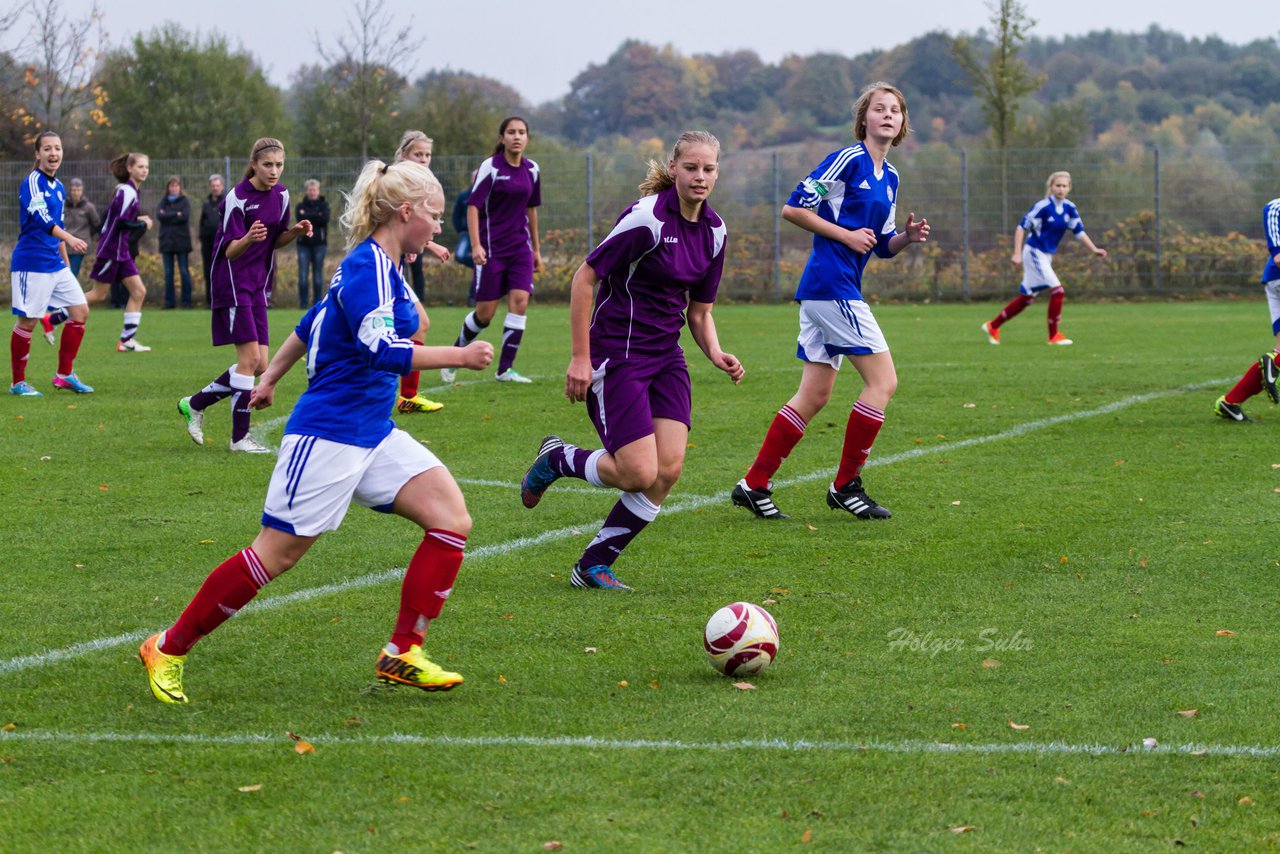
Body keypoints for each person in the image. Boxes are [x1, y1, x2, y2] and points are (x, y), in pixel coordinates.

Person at [138, 158, 494, 703]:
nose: (439, 226)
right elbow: (381, 350)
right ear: (406, 211)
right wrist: (461, 356)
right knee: (273, 556)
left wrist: (272, 376)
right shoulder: (368, 267)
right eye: (435, 215)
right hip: (328, 434)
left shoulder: (377, 266)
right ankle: (168, 646)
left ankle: (403, 652)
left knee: (451, 520)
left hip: (371, 430)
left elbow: (312, 323)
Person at [519, 131, 742, 591]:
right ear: (674, 168)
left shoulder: (716, 232)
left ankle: (593, 564)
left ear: (718, 172)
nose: (701, 177)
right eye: (692, 168)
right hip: (617, 355)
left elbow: (699, 312)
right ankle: (558, 458)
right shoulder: (647, 220)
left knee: (668, 470)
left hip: (666, 357)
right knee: (638, 472)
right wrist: (580, 358)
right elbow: (585, 277)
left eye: (709, 169)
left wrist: (716, 353)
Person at [731, 82, 931, 522]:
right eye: (879, 109)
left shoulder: (891, 177)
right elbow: (794, 208)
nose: (887, 115)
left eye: (895, 111)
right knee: (883, 383)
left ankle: (753, 484)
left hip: (832, 291)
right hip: (831, 286)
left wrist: (905, 239)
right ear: (864, 119)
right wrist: (844, 234)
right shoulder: (847, 160)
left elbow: (878, 246)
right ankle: (845, 486)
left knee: (815, 394)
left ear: (901, 125)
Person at [177, 138, 311, 453]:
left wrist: (295, 233)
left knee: (261, 363)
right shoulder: (236, 199)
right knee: (249, 360)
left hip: (258, 286)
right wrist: (248, 237)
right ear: (254, 164)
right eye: (268, 164)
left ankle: (194, 404)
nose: (274, 170)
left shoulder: (282, 195)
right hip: (232, 283)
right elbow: (230, 251)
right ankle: (239, 438)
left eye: (279, 165)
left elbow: (276, 240)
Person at [441, 116, 543, 385]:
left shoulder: (532, 170)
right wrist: (476, 245)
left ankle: (505, 370)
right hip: (492, 249)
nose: (517, 137)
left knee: (520, 302)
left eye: (521, 132)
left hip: (520, 249)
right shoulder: (492, 167)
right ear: (502, 138)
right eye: (511, 132)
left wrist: (536, 249)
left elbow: (532, 210)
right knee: (485, 314)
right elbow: (473, 206)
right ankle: (455, 353)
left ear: (527, 138)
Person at [8, 131, 94, 396]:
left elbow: (58, 230)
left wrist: (66, 265)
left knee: (80, 311)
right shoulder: (32, 182)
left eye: (57, 148)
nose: (53, 153)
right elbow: (44, 220)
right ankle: (18, 383)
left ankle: (64, 375)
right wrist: (70, 238)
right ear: (38, 154)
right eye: (47, 149)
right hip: (32, 262)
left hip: (55, 264)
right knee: (28, 322)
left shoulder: (59, 186)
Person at [981, 170, 1107, 346]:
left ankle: (992, 326)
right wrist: (1016, 253)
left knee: (1027, 298)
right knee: (1058, 291)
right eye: (1058, 185)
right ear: (1051, 187)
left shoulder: (1070, 208)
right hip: (1034, 251)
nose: (1061, 189)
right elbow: (1021, 228)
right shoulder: (1043, 207)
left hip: (1046, 255)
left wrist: (1094, 249)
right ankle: (1053, 336)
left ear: (1069, 188)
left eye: (1064, 186)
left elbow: (1079, 232)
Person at [392, 130, 449, 414]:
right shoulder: (397, 184)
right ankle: (406, 395)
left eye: (427, 155)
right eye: (418, 154)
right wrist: (425, 245)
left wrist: (425, 245)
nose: (424, 160)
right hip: (383, 267)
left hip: (394, 265)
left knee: (415, 324)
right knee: (416, 324)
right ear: (404, 156)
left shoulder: (418, 185)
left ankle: (406, 395)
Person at [1212, 196, 1280, 422]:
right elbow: (1279, 257)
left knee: (1278, 353)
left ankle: (1229, 403)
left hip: (1274, 281)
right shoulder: (1275, 208)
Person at [83, 151, 154, 351]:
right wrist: (142, 225)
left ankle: (126, 341)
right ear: (130, 168)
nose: (144, 170)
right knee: (98, 295)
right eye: (140, 167)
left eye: (146, 167)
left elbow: (119, 219)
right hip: (111, 251)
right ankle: (54, 317)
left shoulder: (131, 191)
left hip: (121, 252)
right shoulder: (127, 191)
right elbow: (121, 222)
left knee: (139, 292)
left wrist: (138, 221)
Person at [157, 176, 194, 309]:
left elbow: (184, 216)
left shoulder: (184, 201)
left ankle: (186, 302)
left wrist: (168, 215)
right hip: (166, 242)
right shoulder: (163, 202)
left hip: (182, 242)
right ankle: (169, 302)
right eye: (171, 186)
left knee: (184, 272)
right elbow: (159, 216)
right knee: (168, 274)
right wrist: (175, 214)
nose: (174, 188)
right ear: (168, 188)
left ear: (180, 188)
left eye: (176, 186)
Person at [295, 178, 330, 309]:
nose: (312, 192)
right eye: (310, 190)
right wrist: (316, 215)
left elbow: (324, 219)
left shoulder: (324, 205)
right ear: (307, 191)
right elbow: (300, 219)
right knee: (303, 275)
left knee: (317, 275)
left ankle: (317, 304)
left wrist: (308, 216)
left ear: (318, 191)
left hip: (319, 245)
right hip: (303, 245)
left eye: (314, 190)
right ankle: (303, 304)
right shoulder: (300, 206)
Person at [61, 178, 98, 280]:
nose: (76, 193)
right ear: (70, 191)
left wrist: (86, 236)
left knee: (71, 275)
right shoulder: (64, 206)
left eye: (78, 190)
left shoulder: (88, 207)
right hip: (64, 244)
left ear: (82, 191)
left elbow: (96, 224)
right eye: (74, 190)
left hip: (79, 246)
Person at [199, 174, 225, 307]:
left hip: (223, 244)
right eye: (213, 186)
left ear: (222, 186)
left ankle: (223, 299)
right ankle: (210, 300)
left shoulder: (227, 201)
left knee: (222, 272)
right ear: (210, 187)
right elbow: (202, 222)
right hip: (208, 244)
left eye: (218, 185)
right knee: (209, 272)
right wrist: (202, 237)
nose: (215, 188)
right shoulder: (206, 204)